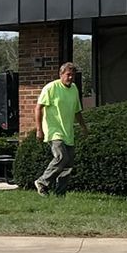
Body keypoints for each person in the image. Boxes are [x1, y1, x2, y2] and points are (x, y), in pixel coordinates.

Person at [34, 62, 88, 196]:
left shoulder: (74, 88)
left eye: (73, 75)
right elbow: (38, 108)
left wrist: (83, 127)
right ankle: (42, 182)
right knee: (61, 157)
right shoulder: (51, 88)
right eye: (68, 75)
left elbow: (77, 111)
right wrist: (39, 130)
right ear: (61, 74)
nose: (70, 78)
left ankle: (60, 194)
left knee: (68, 165)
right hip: (53, 130)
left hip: (68, 131)